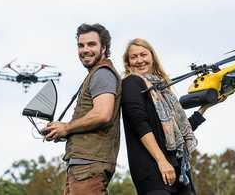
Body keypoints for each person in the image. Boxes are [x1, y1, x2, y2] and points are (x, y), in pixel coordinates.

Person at [121, 38, 217, 195]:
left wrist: (205, 107)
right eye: (134, 57)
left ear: (152, 56)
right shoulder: (131, 83)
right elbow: (139, 124)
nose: (139, 60)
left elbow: (177, 130)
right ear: (128, 62)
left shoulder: (162, 89)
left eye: (143, 54)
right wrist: (161, 160)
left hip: (179, 169)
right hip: (152, 171)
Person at [42, 23, 122, 195]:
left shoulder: (102, 74)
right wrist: (63, 132)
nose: (85, 49)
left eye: (91, 44)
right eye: (81, 45)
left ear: (104, 48)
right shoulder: (95, 74)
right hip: (82, 165)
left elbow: (102, 114)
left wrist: (66, 127)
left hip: (89, 165)